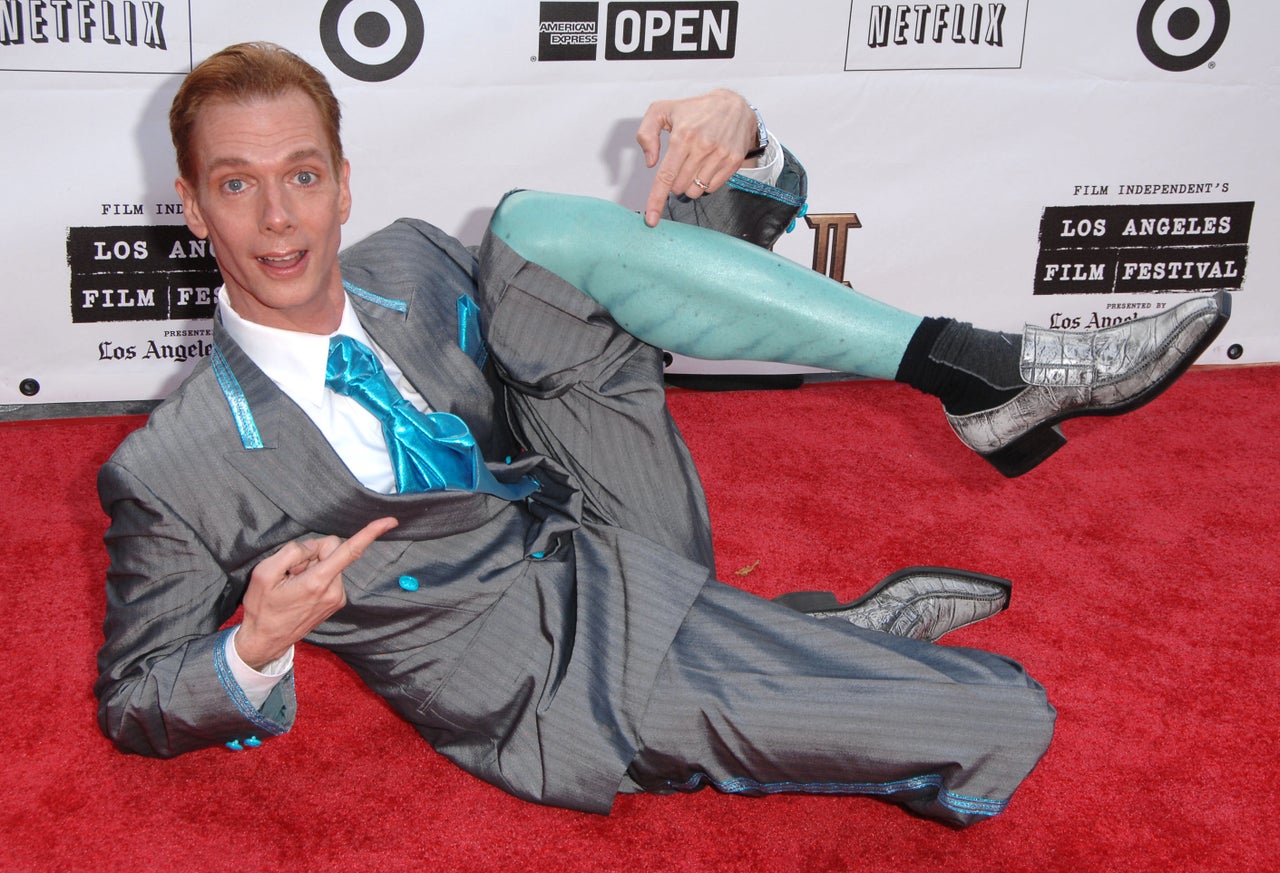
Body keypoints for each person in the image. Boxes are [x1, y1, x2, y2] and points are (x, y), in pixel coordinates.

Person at [95, 42, 1227, 828]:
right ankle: (824, 645)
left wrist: (742, 147)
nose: (278, 217)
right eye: (237, 187)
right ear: (193, 208)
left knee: (535, 232)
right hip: (553, 680)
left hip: (616, 525)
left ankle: (980, 370)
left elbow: (651, 289)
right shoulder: (171, 467)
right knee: (996, 714)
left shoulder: (407, 261)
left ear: (344, 184)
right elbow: (136, 702)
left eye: (301, 176)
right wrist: (256, 641)